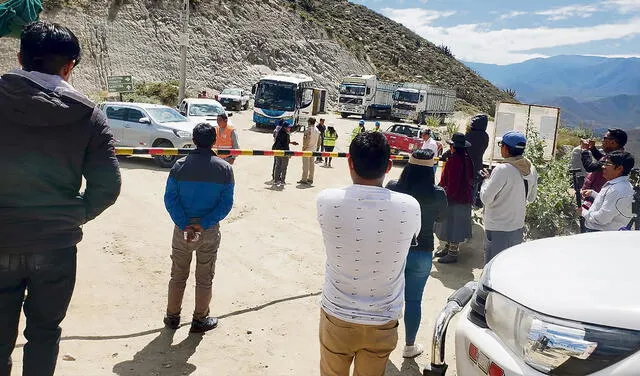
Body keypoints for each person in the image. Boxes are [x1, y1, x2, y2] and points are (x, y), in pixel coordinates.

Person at [0, 21, 121, 376]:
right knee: (45, 333)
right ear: (69, 66)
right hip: (55, 247)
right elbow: (108, 187)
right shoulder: (88, 116)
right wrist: (72, 215)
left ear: (20, 58)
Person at [317, 132, 421, 376]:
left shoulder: (326, 200)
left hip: (337, 315)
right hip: (383, 320)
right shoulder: (409, 206)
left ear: (350, 162)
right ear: (389, 166)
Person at [163, 123, 235, 333]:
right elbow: (225, 204)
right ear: (214, 141)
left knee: (178, 275)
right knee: (204, 277)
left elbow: (170, 199)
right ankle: (199, 319)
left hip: (182, 228)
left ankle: (172, 317)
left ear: (194, 140)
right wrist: (201, 225)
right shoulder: (224, 169)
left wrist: (185, 223)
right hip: (208, 230)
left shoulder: (179, 166)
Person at [386, 149, 447, 358]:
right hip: (422, 252)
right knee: (414, 301)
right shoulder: (438, 193)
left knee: (390, 298)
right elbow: (441, 219)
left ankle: (384, 343)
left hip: (395, 251)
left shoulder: (394, 187)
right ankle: (409, 346)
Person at [479, 131, 538, 265]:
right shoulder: (531, 168)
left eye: (501, 145)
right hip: (517, 226)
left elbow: (486, 198)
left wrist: (485, 181)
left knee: (493, 267)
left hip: (498, 227)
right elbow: (532, 198)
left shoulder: (502, 169)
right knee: (508, 266)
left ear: (505, 148)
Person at [434, 133, 474, 264]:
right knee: (451, 225)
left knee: (453, 226)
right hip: (464, 197)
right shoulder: (467, 159)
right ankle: (448, 248)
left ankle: (452, 253)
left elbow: (452, 183)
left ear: (453, 147)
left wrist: (444, 195)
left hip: (454, 198)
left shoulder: (454, 161)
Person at [581, 151, 635, 232]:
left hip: (601, 234)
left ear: (619, 168)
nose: (603, 167)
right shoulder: (617, 185)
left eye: (607, 164)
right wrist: (593, 194)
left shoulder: (618, 189)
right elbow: (608, 201)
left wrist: (583, 212)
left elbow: (602, 218)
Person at [581, 129, 627, 198]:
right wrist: (593, 148)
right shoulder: (619, 155)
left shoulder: (614, 158)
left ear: (612, 142)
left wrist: (584, 150)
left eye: (605, 138)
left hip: (596, 196)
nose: (602, 140)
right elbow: (601, 159)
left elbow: (590, 167)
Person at [466, 114, 489, 207]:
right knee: (474, 189)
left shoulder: (469, 135)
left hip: (467, 167)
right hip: (478, 166)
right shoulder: (485, 136)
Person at [272, 121, 298, 188]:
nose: (290, 128)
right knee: (284, 167)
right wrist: (289, 154)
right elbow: (285, 145)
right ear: (285, 127)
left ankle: (276, 180)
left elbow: (280, 142)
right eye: (288, 127)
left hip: (278, 152)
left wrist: (291, 142)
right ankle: (282, 181)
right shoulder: (286, 134)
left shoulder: (279, 133)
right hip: (284, 153)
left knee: (277, 166)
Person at [299, 117, 320, 185]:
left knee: (305, 165)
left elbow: (306, 140)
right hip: (314, 149)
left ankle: (304, 179)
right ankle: (310, 178)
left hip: (307, 149)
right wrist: (317, 147)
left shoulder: (308, 130)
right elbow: (319, 140)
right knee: (312, 165)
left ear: (309, 122)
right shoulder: (317, 130)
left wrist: (304, 148)